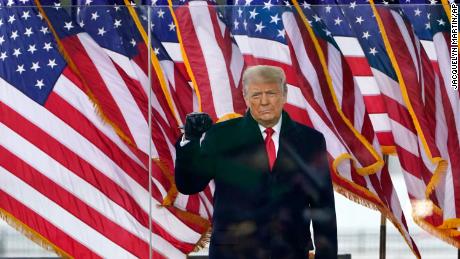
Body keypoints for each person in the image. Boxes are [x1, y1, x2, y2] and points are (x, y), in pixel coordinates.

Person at [175, 65, 337, 259]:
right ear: (245, 98)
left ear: (284, 95)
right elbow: (189, 184)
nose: (264, 101)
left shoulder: (310, 140)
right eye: (256, 95)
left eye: (271, 93)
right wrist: (190, 141)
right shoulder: (221, 135)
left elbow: (322, 206)